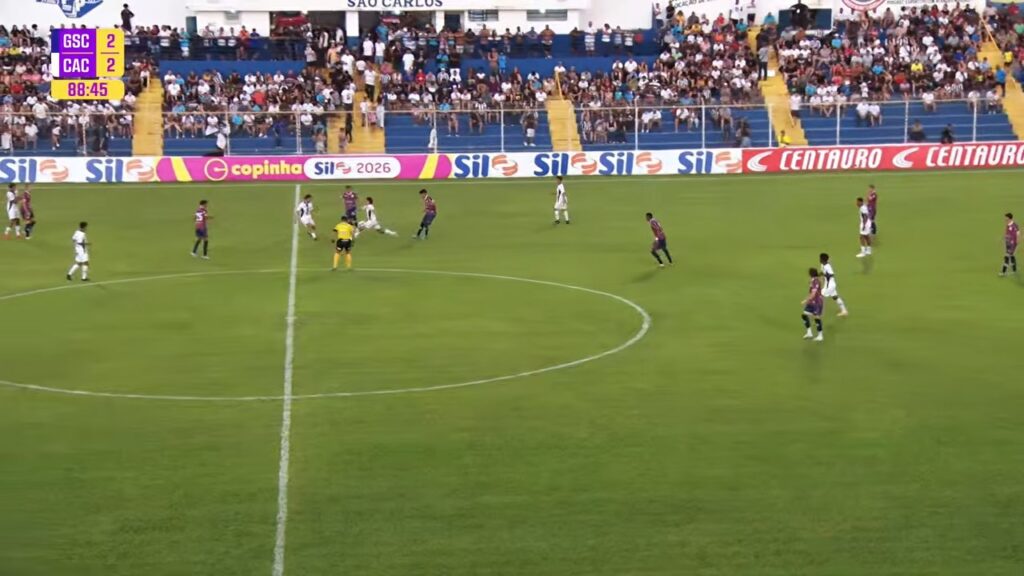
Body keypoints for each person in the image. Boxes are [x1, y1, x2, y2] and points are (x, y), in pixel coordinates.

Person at [801, 268, 824, 341]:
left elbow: (813, 294)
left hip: (817, 302)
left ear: (810, 274)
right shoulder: (814, 280)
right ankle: (809, 333)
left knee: (816, 317)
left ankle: (820, 336)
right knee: (804, 315)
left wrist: (806, 300)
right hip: (812, 302)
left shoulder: (815, 282)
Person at [1001, 212, 1020, 277]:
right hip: (1008, 243)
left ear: (1009, 218)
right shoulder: (1008, 225)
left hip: (1012, 243)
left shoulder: (1015, 225)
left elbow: (1018, 233)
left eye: (1006, 218)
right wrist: (1005, 238)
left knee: (1006, 256)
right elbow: (1008, 234)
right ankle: (1014, 270)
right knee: (1011, 256)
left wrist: (1016, 242)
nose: (1005, 219)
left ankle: (1003, 272)